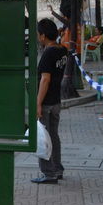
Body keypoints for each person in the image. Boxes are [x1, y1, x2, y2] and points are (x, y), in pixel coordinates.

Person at [34, 18, 67, 183]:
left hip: (46, 101)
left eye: (39, 34)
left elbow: (45, 79)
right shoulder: (62, 50)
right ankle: (57, 169)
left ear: (43, 35)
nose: (38, 37)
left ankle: (48, 173)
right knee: (53, 135)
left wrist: (38, 103)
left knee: (43, 137)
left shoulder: (48, 53)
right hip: (56, 101)